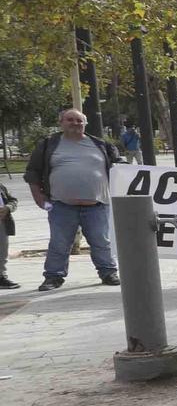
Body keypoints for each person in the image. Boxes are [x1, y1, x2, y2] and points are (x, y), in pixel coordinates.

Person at [24, 108, 121, 292]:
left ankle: (108, 272)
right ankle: (53, 277)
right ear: (61, 122)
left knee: (101, 242)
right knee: (59, 243)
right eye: (70, 120)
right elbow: (32, 173)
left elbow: (119, 167)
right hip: (61, 206)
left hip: (97, 205)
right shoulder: (48, 145)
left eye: (79, 120)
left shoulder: (100, 144)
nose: (75, 123)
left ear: (85, 123)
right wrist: (39, 198)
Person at [0, 175, 19, 289]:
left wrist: (7, 208)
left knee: (2, 251)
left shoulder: (1, 186)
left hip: (2, 223)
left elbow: (13, 200)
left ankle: (1, 276)